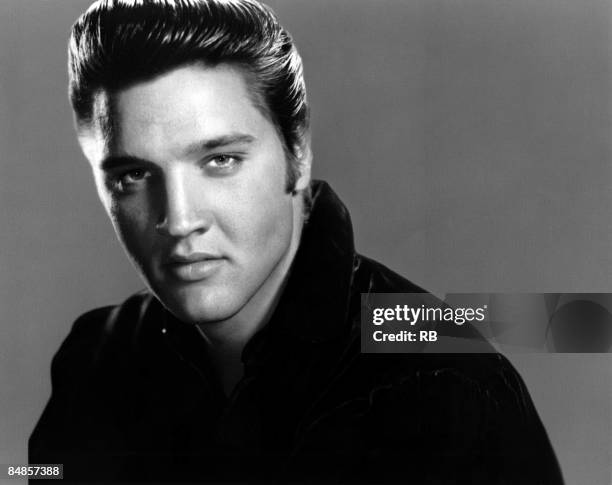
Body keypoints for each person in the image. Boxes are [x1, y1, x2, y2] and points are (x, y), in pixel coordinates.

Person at [29, 0, 564, 483]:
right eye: (133, 176)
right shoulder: (96, 356)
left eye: (220, 160)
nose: (179, 219)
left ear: (298, 154)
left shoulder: (444, 384)